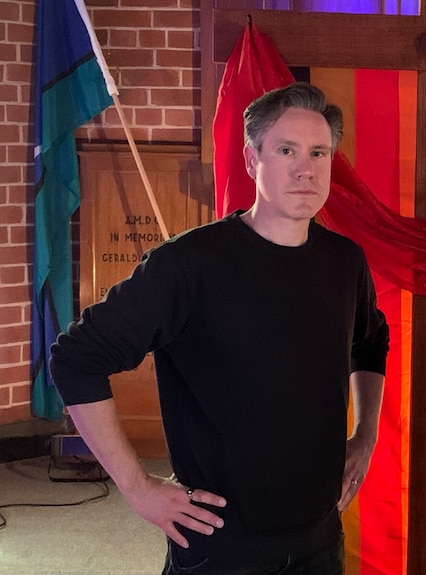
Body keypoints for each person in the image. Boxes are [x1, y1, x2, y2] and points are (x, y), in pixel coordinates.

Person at [50, 82, 390, 575]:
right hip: (220, 544)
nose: (305, 167)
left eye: (319, 152)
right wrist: (137, 488)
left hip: (319, 535)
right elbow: (76, 359)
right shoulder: (188, 265)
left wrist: (366, 435)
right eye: (286, 150)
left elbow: (371, 342)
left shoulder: (344, 261)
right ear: (253, 160)